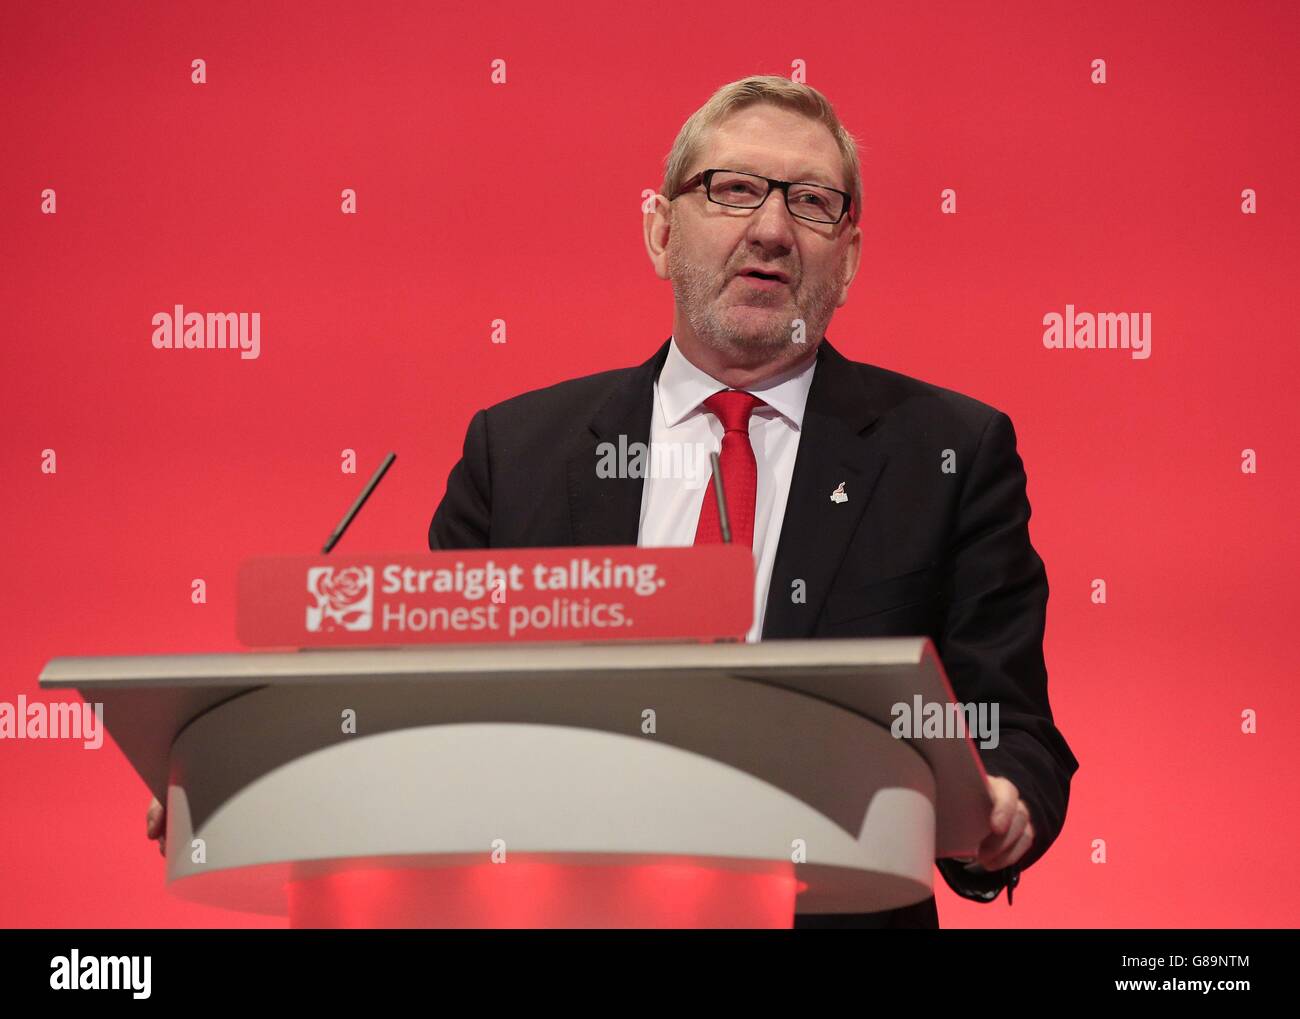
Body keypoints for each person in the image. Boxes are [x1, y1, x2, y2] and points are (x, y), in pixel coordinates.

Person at [151, 75, 1078, 929]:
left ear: (849, 257)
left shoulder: (949, 452)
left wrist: (1000, 800)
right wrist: (255, 769)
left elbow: (1010, 721)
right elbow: (428, 711)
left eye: (812, 201)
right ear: (660, 231)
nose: (771, 228)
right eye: (732, 188)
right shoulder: (516, 453)